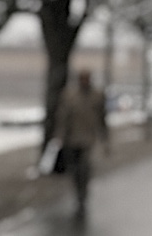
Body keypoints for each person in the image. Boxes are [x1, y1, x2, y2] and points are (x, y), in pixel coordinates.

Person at [54, 68, 109, 219]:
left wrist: (105, 139)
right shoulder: (69, 95)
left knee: (84, 169)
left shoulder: (97, 96)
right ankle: (77, 193)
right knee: (74, 171)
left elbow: (102, 118)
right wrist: (60, 136)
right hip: (72, 140)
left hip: (87, 140)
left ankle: (82, 198)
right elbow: (62, 117)